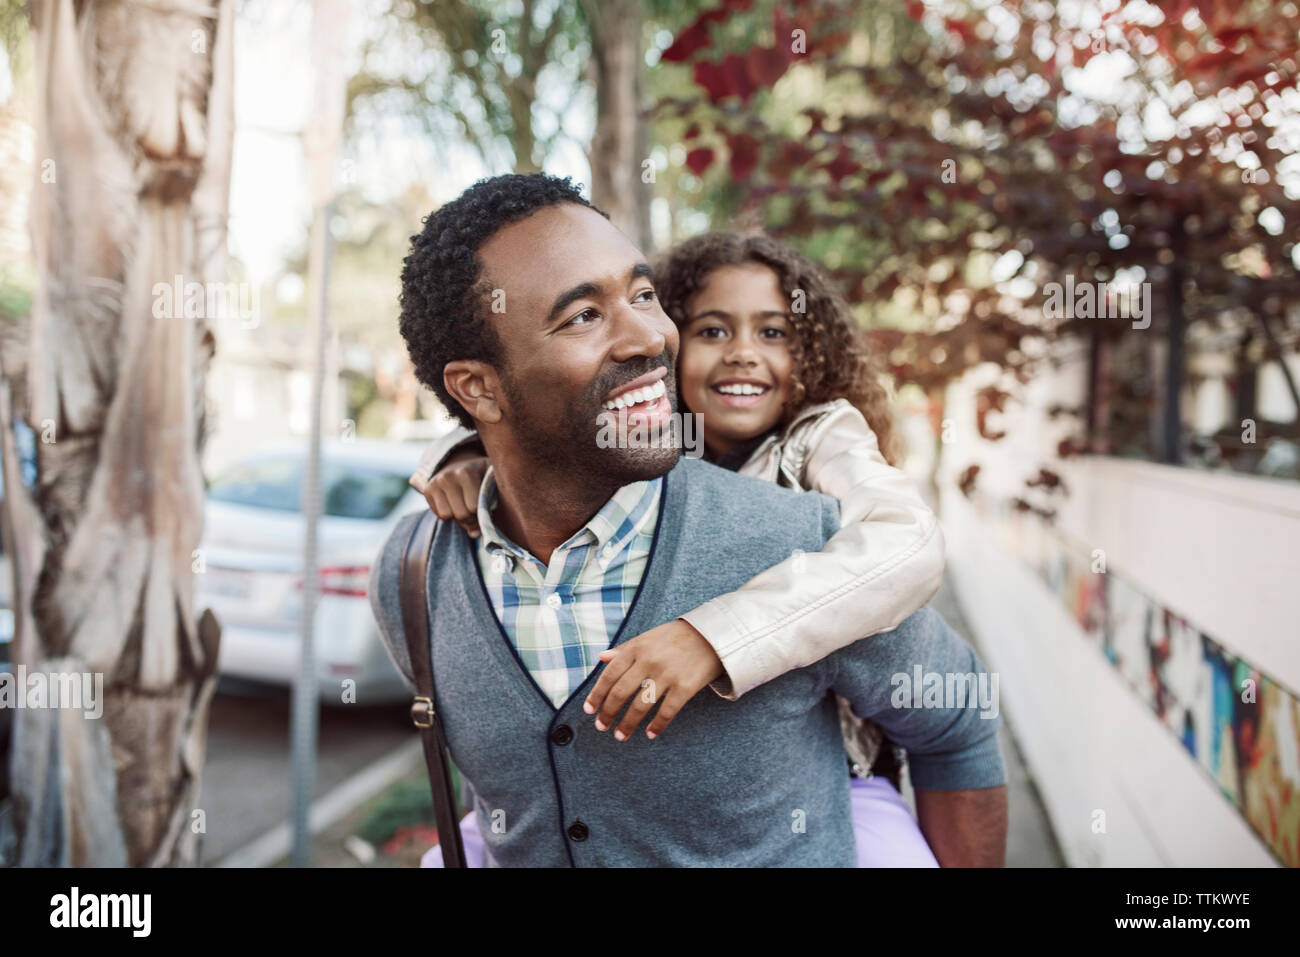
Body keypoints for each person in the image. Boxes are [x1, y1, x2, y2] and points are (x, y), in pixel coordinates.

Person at [369, 171, 1007, 867]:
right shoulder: (414, 576)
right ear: (478, 388)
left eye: (643, 295)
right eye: (584, 314)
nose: (648, 336)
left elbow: (951, 696)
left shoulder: (808, 528)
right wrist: (461, 452)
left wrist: (718, 635)